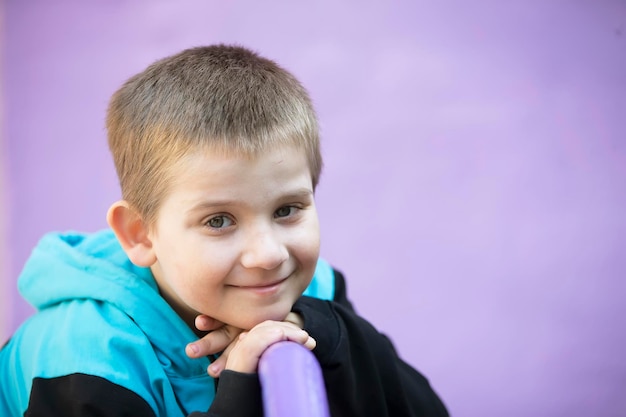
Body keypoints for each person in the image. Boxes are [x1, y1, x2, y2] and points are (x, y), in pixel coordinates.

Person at [0, 44, 449, 417]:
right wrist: (239, 393)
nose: (268, 254)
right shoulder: (83, 363)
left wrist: (324, 333)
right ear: (141, 234)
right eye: (218, 221)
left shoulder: (313, 291)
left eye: (287, 209)